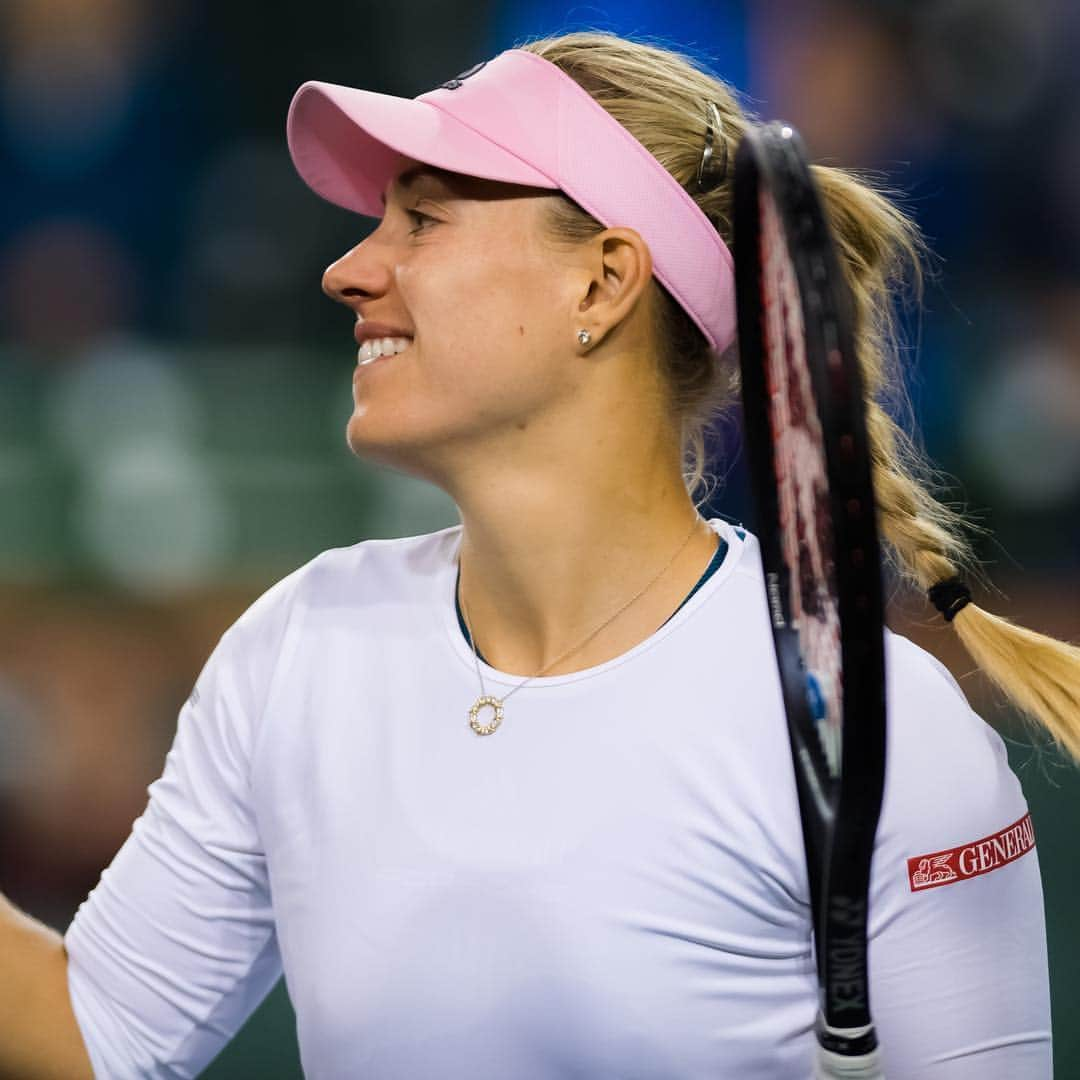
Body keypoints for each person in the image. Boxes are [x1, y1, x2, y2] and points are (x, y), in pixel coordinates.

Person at [3, 28, 1078, 1080]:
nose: (347, 269)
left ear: (603, 282)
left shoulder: (879, 730)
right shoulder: (298, 645)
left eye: (420, 220)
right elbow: (101, 1036)